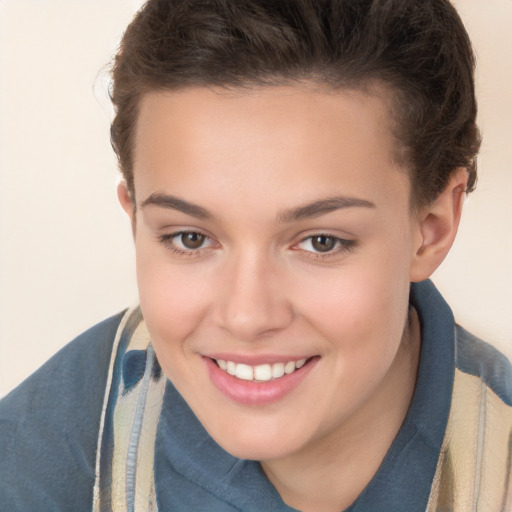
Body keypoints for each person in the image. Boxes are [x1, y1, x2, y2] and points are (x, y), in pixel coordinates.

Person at [1, 0, 511, 510]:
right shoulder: (58, 439)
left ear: (431, 229)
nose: (246, 317)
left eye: (321, 242)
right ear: (135, 219)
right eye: (191, 238)